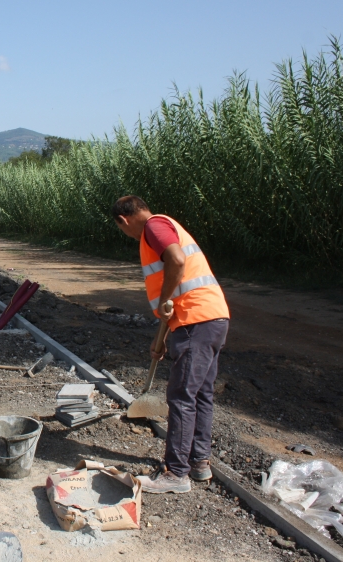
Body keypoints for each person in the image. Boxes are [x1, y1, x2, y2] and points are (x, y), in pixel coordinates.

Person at [112, 196, 230, 494]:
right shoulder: (164, 224)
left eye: (121, 229)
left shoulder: (154, 226)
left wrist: (165, 299)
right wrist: (160, 340)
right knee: (200, 394)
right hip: (211, 318)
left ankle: (176, 473)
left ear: (123, 220)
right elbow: (174, 292)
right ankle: (199, 463)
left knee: (180, 396)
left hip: (195, 320)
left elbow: (176, 260)